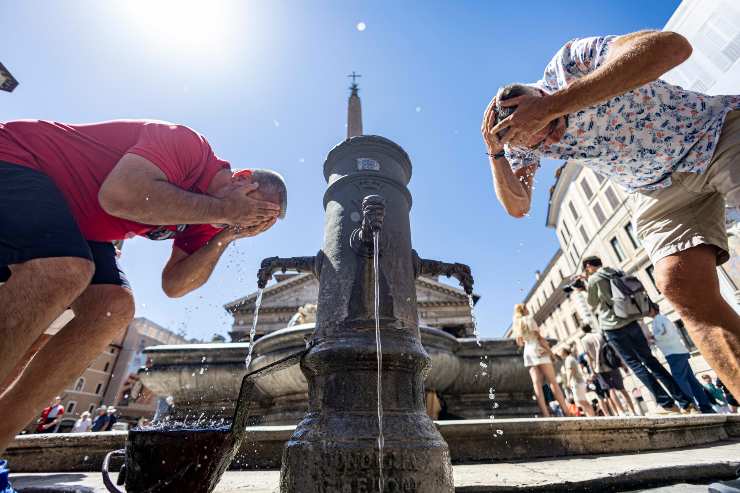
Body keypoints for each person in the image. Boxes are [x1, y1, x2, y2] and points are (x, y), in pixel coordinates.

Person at [481, 30, 740, 401]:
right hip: (655, 187)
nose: (548, 144)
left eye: (548, 130)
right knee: (680, 286)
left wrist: (556, 105)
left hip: (712, 133)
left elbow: (674, 47)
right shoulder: (523, 139)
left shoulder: (572, 61)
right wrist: (495, 152)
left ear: (536, 95)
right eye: (534, 144)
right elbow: (518, 206)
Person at [0, 119, 286, 453]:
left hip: (77, 223)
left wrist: (228, 232)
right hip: (21, 158)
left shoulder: (213, 219)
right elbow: (119, 196)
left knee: (114, 309)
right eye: (251, 206)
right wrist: (227, 210)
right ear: (242, 178)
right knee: (65, 271)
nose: (247, 217)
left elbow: (175, 285)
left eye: (257, 220)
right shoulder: (189, 146)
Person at [581, 257, 694, 414]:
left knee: (635, 364)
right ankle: (686, 403)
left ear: (588, 266)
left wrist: (586, 284)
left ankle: (667, 404)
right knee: (651, 361)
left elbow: (592, 303)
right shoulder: (616, 271)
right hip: (632, 321)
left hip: (613, 327)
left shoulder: (594, 278)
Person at [650, 308, 715, 413]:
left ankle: (690, 406)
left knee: (680, 380)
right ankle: (705, 406)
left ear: (652, 309)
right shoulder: (663, 318)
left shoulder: (659, 319)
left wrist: (653, 338)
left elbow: (665, 333)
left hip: (673, 353)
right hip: (679, 352)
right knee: (691, 380)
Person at [511, 304, 570, 417]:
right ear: (525, 310)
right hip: (538, 349)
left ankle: (546, 414)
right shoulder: (529, 319)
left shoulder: (517, 323)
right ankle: (566, 411)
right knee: (553, 382)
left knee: (536, 384)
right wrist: (551, 353)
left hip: (527, 352)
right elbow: (540, 338)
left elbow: (520, 342)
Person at [580, 324, 637, 416]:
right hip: (611, 363)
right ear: (591, 327)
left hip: (599, 367)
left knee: (611, 390)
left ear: (583, 331)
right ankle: (633, 411)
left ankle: (621, 412)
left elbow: (589, 357)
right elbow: (612, 348)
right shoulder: (599, 334)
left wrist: (592, 371)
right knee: (622, 389)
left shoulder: (584, 340)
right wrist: (622, 364)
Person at [559, 347, 595, 416]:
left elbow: (570, 370)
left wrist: (568, 381)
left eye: (560, 351)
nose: (559, 353)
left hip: (576, 382)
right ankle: (591, 416)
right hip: (579, 382)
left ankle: (591, 416)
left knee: (581, 401)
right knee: (583, 401)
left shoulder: (568, 359)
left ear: (563, 352)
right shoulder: (571, 358)